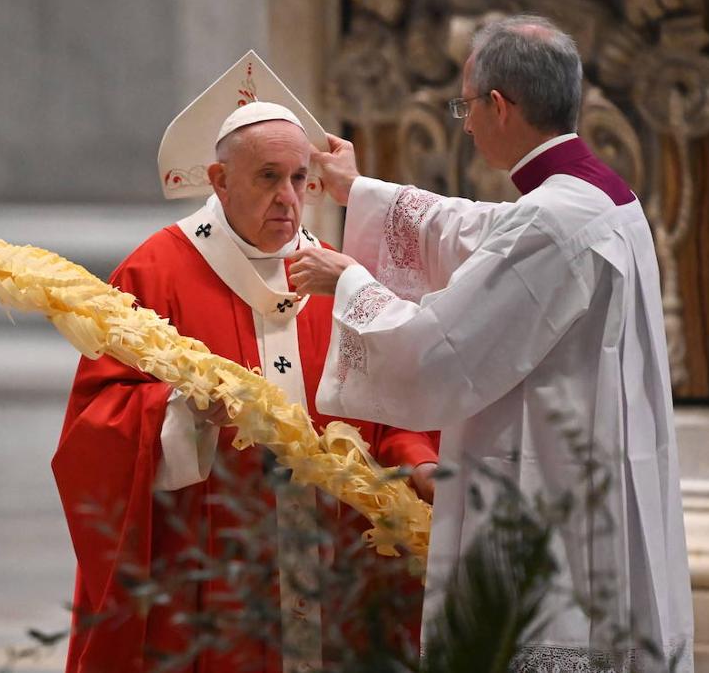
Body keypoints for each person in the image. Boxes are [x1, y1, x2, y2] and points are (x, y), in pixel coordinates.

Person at [289, 15, 694, 670]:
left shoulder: (554, 218)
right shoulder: (600, 197)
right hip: (589, 475)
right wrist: (359, 192)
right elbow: (480, 231)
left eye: (466, 106)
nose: (466, 123)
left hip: (548, 493)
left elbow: (438, 351)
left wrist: (351, 282)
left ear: (499, 106)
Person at [52, 52, 440, 673]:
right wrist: (181, 411)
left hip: (330, 562)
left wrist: (418, 463)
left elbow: (391, 401)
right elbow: (96, 423)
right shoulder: (155, 272)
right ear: (218, 178)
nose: (289, 198)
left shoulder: (337, 275)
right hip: (214, 568)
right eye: (267, 177)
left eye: (298, 178)